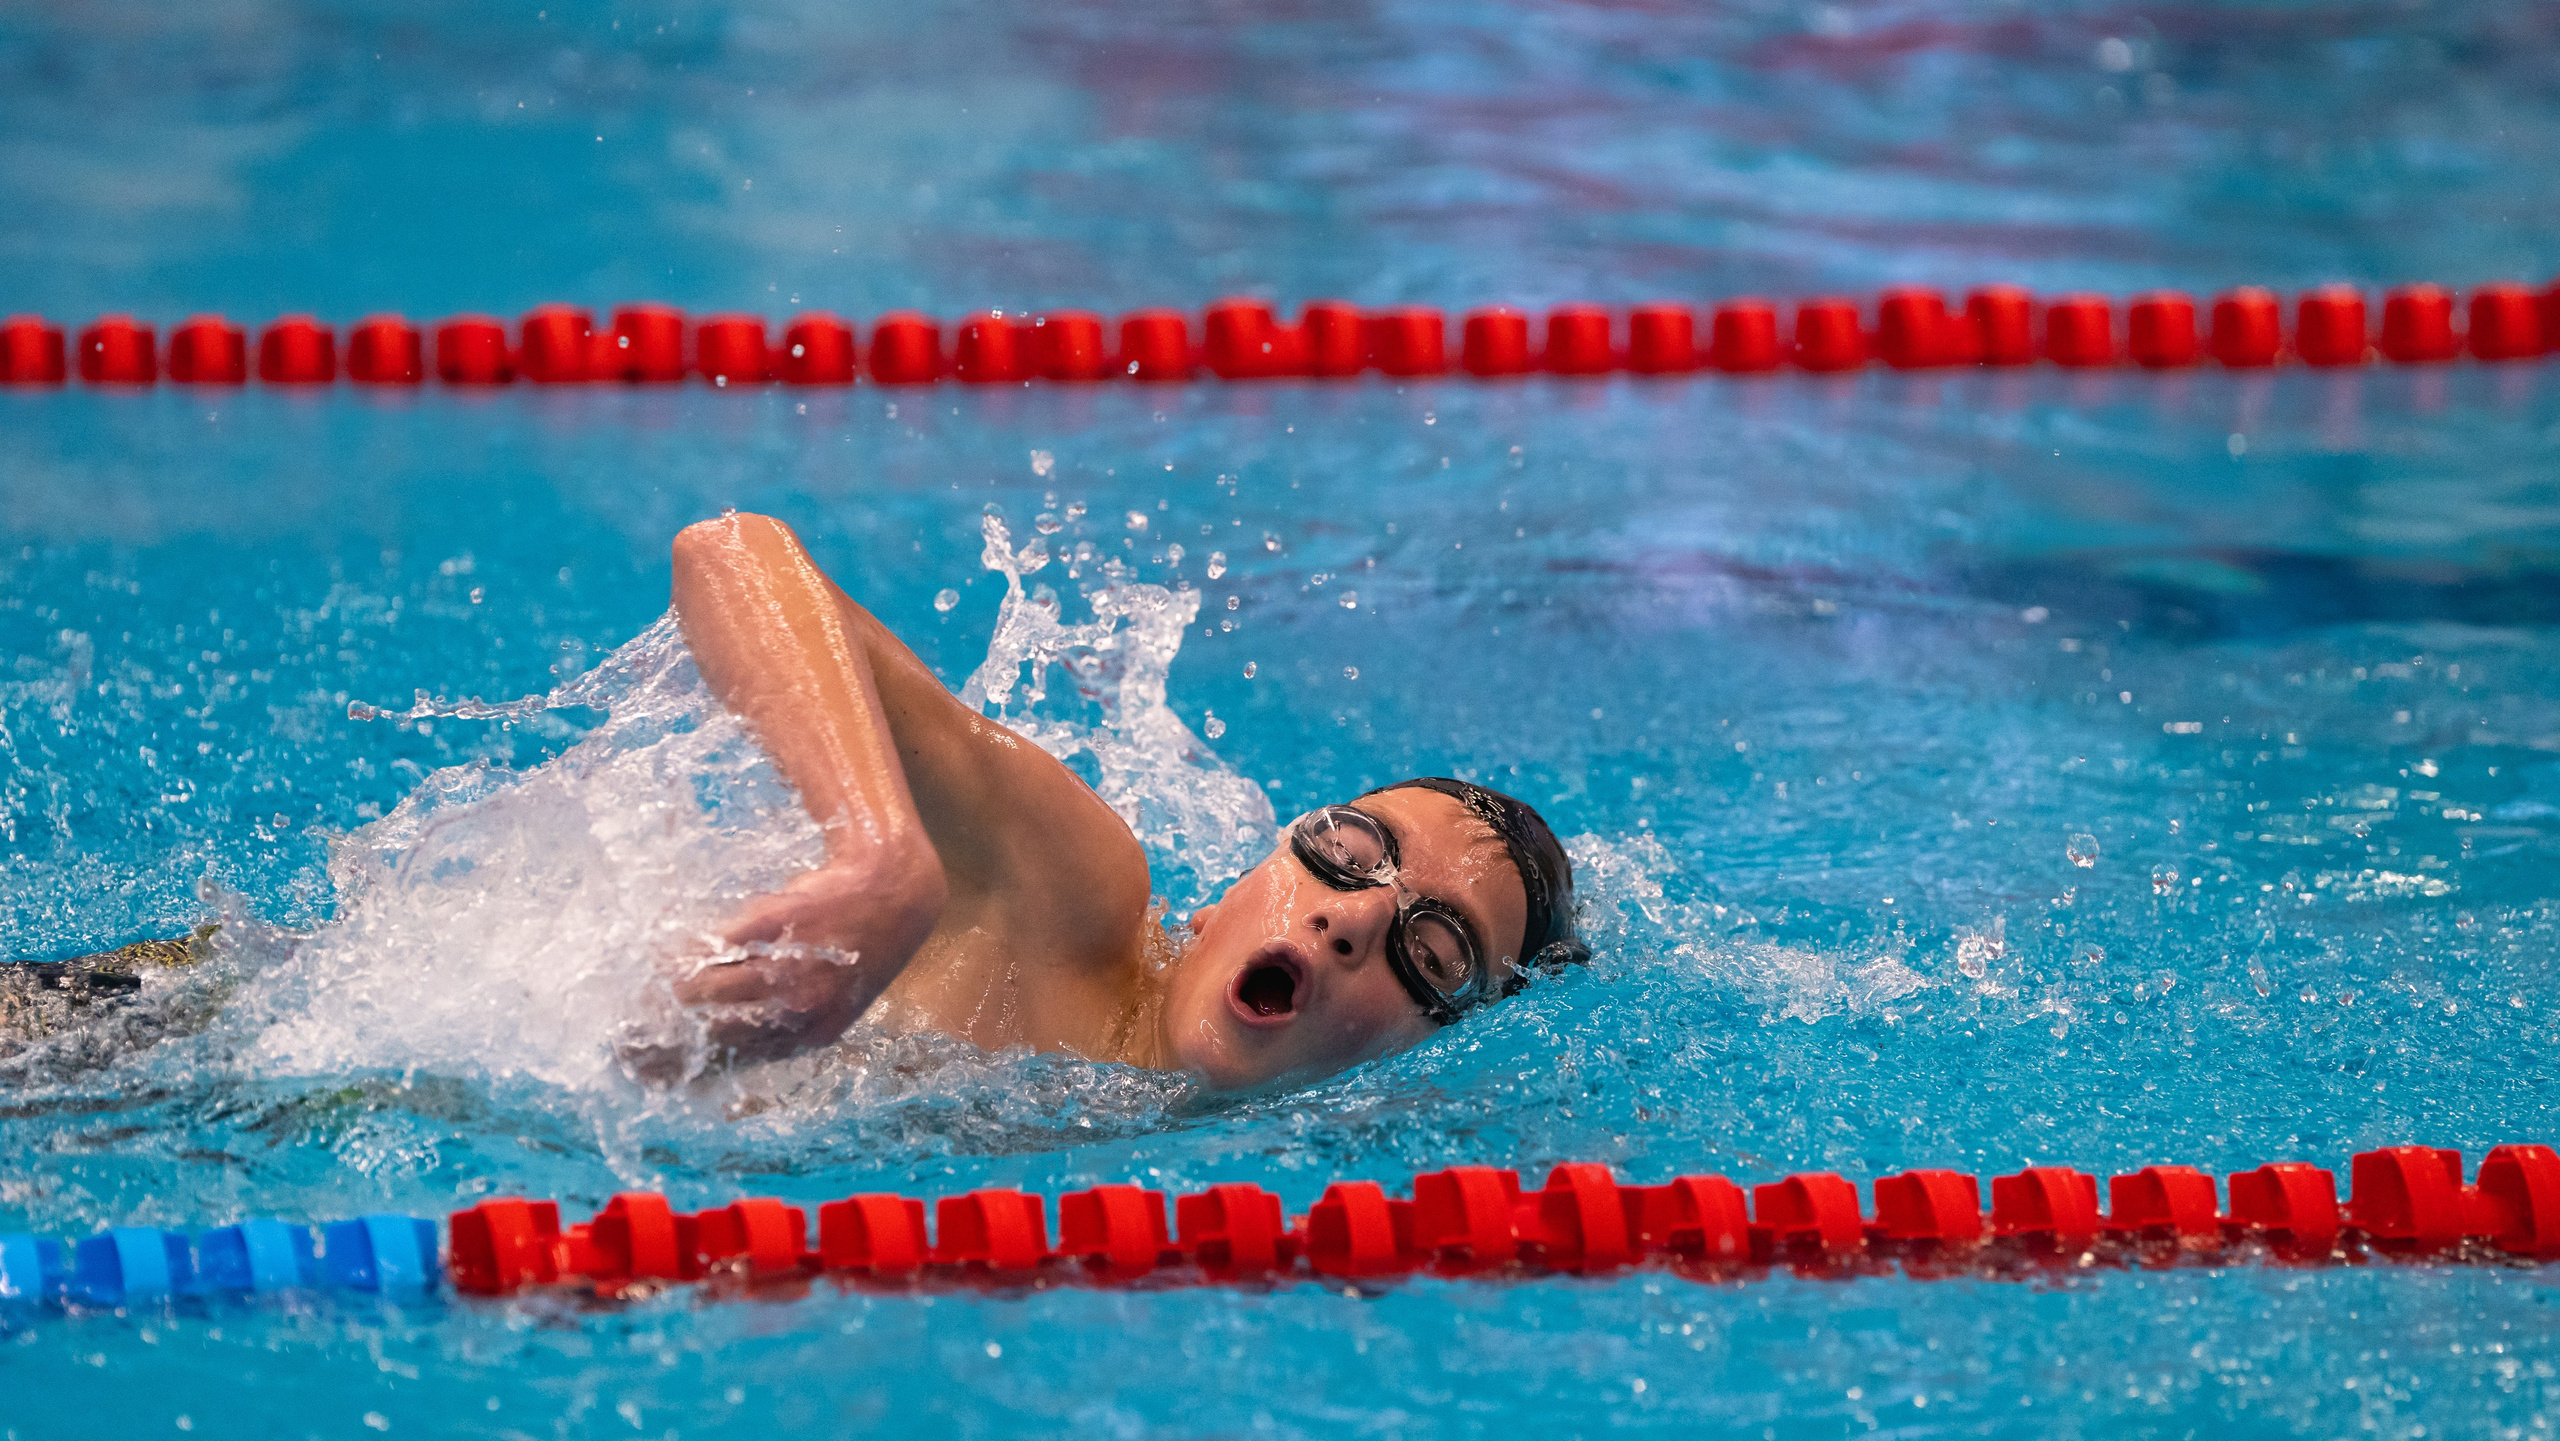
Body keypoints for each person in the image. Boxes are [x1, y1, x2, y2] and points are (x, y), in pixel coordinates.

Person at [663, 511, 1584, 1092]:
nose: (1353, 917)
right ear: (1225, 894)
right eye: (1347, 854)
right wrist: (880, 859)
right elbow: (733, 552)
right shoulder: (1068, 895)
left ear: (1425, 1051)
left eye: (1432, 953)